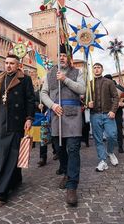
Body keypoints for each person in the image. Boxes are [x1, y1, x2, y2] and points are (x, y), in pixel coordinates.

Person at [0, 54, 35, 205]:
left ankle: (2, 191)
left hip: (15, 123)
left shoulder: (25, 79)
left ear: (18, 65)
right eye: (6, 63)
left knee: (10, 155)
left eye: (12, 63)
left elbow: (30, 99)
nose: (8, 66)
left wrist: (29, 118)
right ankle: (16, 179)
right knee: (1, 156)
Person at [41, 44, 86, 207]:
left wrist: (65, 80)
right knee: (59, 149)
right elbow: (43, 93)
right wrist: (52, 105)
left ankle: (72, 186)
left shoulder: (77, 72)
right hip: (56, 114)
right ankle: (66, 172)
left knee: (73, 149)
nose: (61, 58)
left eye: (64, 55)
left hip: (73, 115)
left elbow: (82, 90)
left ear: (69, 58)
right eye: (59, 55)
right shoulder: (50, 73)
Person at [89, 63, 119, 172]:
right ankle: (102, 160)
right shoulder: (89, 84)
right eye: (95, 68)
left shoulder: (109, 82)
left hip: (108, 114)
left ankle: (110, 152)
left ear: (102, 69)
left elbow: (116, 97)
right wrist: (88, 103)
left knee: (112, 135)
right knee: (98, 139)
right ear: (93, 70)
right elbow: (84, 99)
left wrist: (113, 110)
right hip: (95, 115)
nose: (96, 69)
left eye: (98, 67)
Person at [104, 74, 124, 154]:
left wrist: (122, 103)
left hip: (115, 111)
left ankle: (119, 146)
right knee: (116, 129)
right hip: (111, 111)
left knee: (115, 129)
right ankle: (119, 146)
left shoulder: (119, 87)